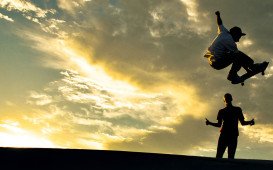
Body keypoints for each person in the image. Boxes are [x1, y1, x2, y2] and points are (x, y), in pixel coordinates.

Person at [204, 11, 263, 83]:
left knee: (237, 54)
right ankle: (232, 75)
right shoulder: (230, 41)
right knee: (238, 54)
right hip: (217, 62)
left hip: (212, 59)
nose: (239, 39)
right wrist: (250, 68)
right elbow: (239, 57)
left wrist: (218, 15)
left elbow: (219, 23)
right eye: (239, 36)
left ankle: (251, 66)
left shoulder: (223, 32)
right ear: (235, 34)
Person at [205, 93, 255, 159]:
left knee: (226, 157)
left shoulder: (236, 110)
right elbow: (219, 124)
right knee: (222, 156)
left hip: (230, 135)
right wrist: (209, 123)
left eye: (228, 97)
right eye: (226, 98)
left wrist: (250, 122)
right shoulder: (224, 111)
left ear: (230, 99)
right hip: (226, 135)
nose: (227, 99)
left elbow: (242, 123)